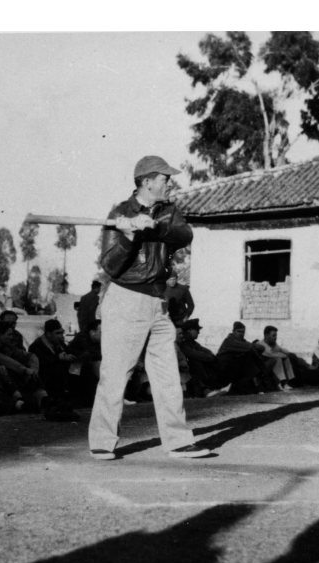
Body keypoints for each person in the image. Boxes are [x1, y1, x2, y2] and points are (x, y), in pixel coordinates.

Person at [89, 155, 209, 460]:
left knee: (167, 375)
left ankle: (178, 441)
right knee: (116, 374)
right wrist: (130, 237)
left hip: (158, 302)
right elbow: (110, 266)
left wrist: (153, 227)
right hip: (126, 299)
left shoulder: (169, 211)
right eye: (165, 179)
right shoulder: (120, 213)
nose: (169, 184)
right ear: (147, 182)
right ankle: (102, 441)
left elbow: (185, 235)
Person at [216, 321, 274, 393]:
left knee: (251, 355)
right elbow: (250, 347)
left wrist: (254, 348)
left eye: (243, 332)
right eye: (238, 331)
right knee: (248, 356)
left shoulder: (242, 341)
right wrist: (254, 348)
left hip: (233, 370)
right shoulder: (229, 341)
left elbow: (261, 348)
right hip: (222, 372)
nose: (241, 334)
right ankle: (260, 382)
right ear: (233, 332)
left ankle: (261, 382)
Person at [28, 318, 77, 401]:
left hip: (58, 375)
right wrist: (58, 358)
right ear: (48, 334)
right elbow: (39, 361)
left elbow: (69, 352)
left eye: (61, 333)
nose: (60, 336)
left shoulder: (59, 343)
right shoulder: (37, 345)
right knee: (57, 366)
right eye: (57, 333)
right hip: (44, 376)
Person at [179, 318, 225, 396]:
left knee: (212, 360)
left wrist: (210, 357)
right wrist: (209, 357)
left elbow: (207, 351)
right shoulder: (184, 342)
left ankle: (214, 386)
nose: (199, 332)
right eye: (197, 330)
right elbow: (194, 354)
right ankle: (208, 389)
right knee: (197, 362)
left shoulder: (192, 342)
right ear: (190, 330)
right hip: (188, 370)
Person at [68, 319, 102, 405]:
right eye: (101, 332)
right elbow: (91, 354)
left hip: (81, 367)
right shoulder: (82, 338)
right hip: (75, 368)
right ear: (92, 332)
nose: (104, 335)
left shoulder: (96, 340)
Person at [258, 325, 296, 390]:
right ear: (267, 335)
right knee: (278, 359)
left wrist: (280, 349)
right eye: (274, 335)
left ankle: (287, 383)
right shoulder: (261, 344)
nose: (276, 338)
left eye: (276, 335)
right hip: (263, 367)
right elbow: (272, 354)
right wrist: (283, 354)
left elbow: (287, 352)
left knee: (286, 359)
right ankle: (280, 383)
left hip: (271, 365)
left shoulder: (273, 344)